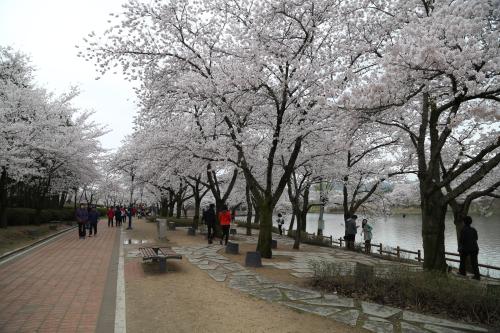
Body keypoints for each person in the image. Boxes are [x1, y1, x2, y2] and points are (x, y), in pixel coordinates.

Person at [458, 216, 480, 280]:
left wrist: (460, 247)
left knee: (462, 260)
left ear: (464, 222)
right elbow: (476, 238)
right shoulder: (473, 230)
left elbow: (461, 240)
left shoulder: (463, 230)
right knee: (474, 263)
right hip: (474, 248)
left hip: (466, 248)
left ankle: (462, 273)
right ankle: (477, 276)